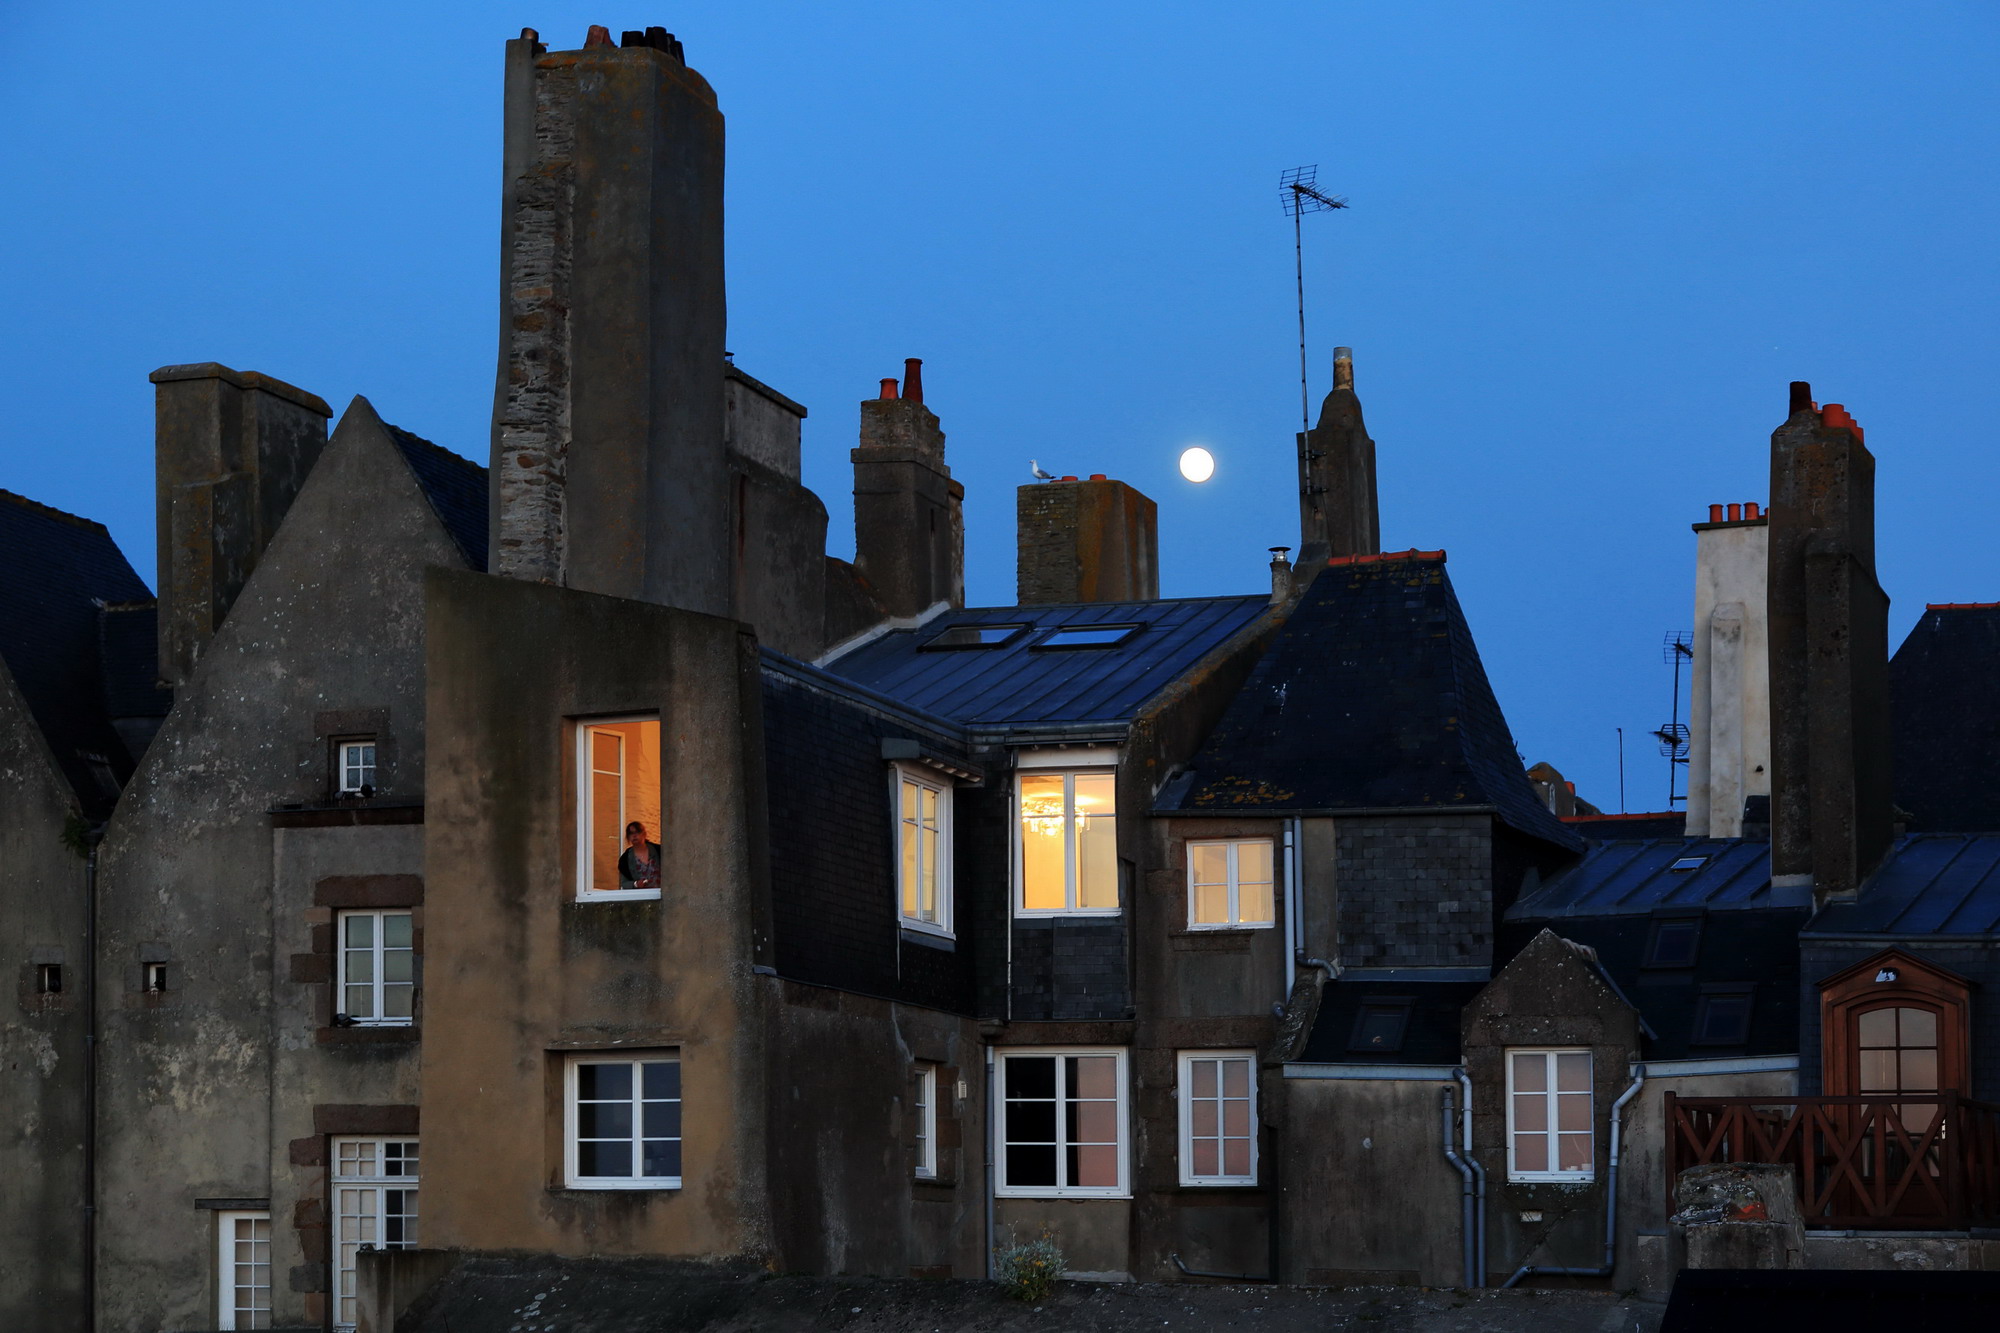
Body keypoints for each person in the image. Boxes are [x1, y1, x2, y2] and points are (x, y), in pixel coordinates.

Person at [619, 820, 662, 891]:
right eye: (631, 833)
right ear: (628, 837)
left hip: (660, 894)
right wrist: (635, 884)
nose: (634, 835)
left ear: (644, 834)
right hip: (641, 896)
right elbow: (624, 883)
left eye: (637, 832)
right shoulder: (625, 859)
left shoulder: (658, 850)